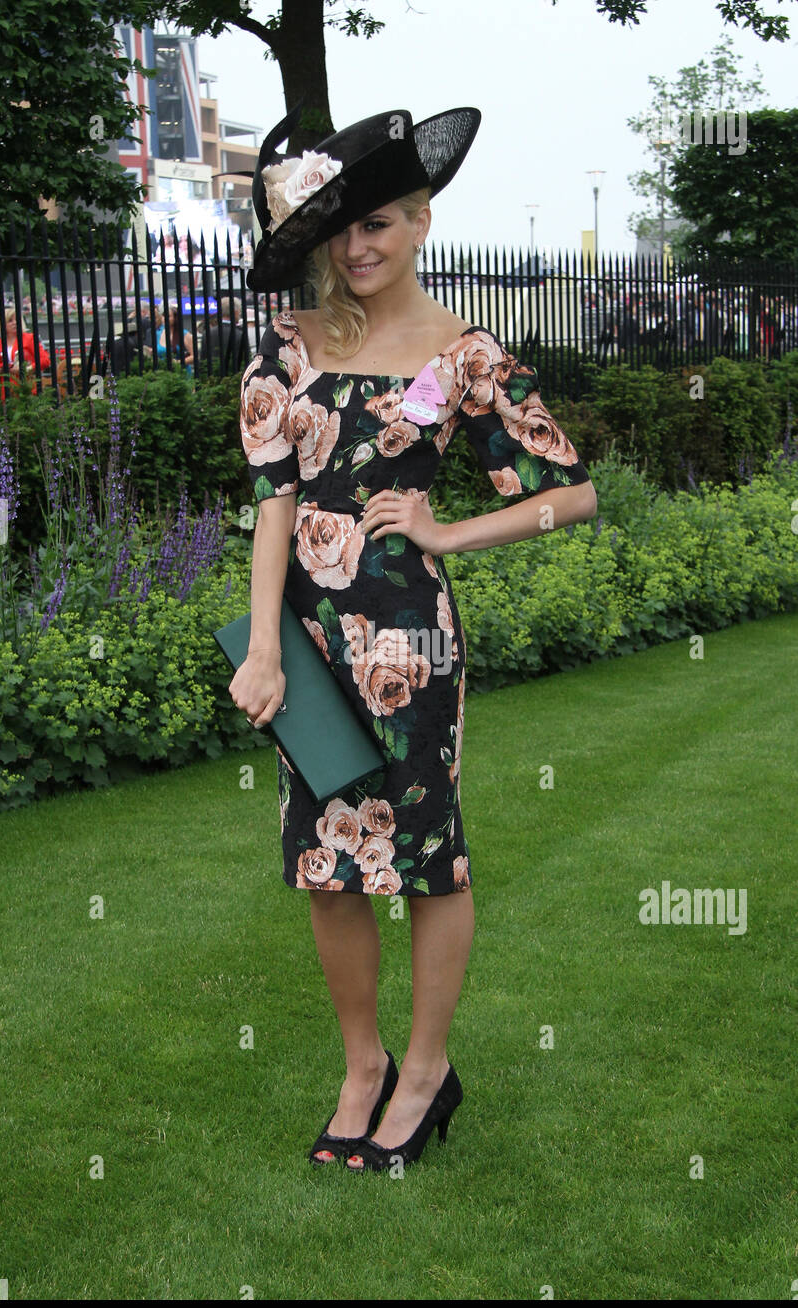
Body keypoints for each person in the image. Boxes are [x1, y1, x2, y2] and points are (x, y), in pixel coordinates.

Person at [231, 100, 597, 1174]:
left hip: (409, 645)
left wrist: (445, 529)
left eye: (383, 221)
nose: (361, 245)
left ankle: (427, 1073)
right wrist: (263, 647)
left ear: (423, 219)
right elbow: (276, 508)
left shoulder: (460, 355)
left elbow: (565, 493)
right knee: (326, 861)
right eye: (343, 227)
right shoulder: (287, 351)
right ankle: (363, 1067)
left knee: (426, 855)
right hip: (308, 642)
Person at [0, 307, 51, 402]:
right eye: (10, 320)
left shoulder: (29, 338)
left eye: (16, 319)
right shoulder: (0, 343)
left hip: (26, 388)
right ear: (3, 324)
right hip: (5, 391)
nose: (14, 322)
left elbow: (45, 361)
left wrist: (26, 369)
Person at [200, 295, 249, 373]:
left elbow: (203, 359)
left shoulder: (207, 333)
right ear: (235, 313)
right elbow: (245, 360)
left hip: (211, 377)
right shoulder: (240, 334)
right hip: (234, 376)